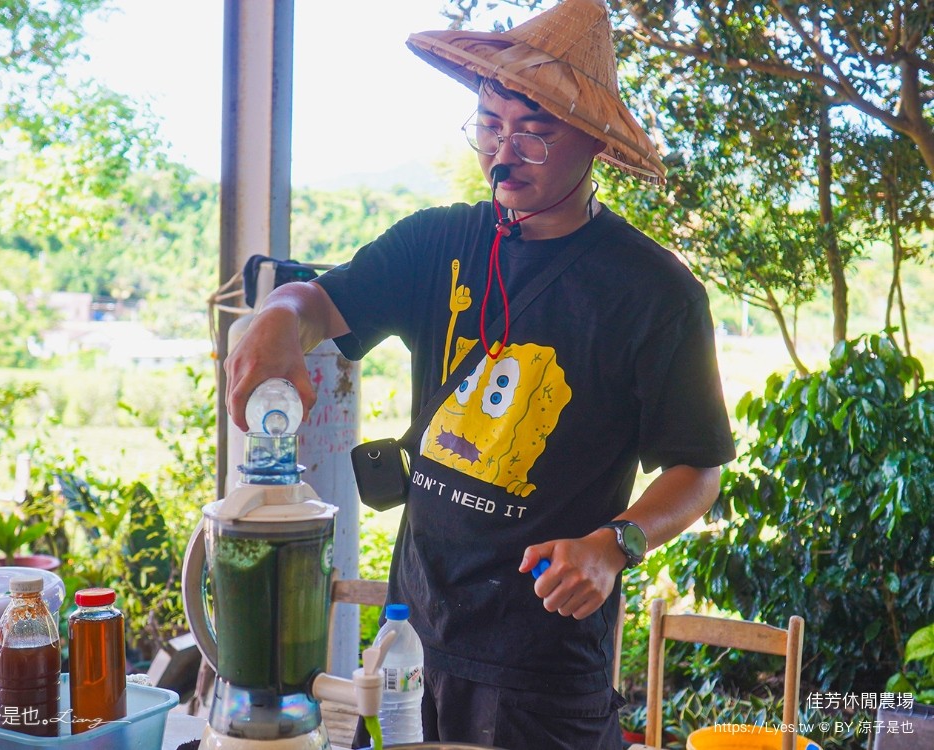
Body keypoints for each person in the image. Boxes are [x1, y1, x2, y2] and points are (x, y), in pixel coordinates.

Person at [225, 0, 735, 747]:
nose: (504, 153)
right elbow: (319, 301)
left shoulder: (653, 294)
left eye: (535, 131)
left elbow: (699, 469)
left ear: (591, 140)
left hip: (545, 665)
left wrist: (615, 544)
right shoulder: (438, 244)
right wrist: (276, 316)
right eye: (491, 124)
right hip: (412, 638)